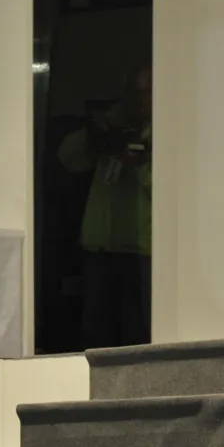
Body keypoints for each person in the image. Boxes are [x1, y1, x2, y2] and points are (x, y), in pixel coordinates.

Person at [58, 64, 152, 348]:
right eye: (134, 92)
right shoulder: (111, 128)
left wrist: (140, 164)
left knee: (139, 334)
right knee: (96, 335)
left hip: (144, 252)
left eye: (147, 92)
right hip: (100, 248)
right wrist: (94, 133)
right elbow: (68, 159)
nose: (139, 100)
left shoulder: (169, 132)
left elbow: (173, 191)